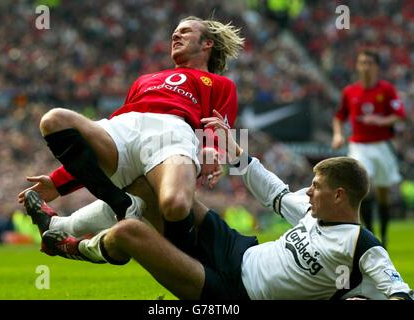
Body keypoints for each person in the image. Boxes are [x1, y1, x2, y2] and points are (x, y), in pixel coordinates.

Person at [31, 112, 413, 300]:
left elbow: (399, 294)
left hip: (233, 293)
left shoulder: (362, 247)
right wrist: (239, 156)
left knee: (131, 231)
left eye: (315, 187)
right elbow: (276, 194)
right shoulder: (314, 211)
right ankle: (58, 227)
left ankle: (72, 248)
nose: (308, 193)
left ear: (340, 195)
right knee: (152, 192)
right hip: (235, 247)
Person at [19, 16, 244, 254]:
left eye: (185, 32)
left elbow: (219, 126)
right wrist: (58, 182)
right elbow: (103, 142)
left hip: (172, 132)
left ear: (207, 44)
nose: (175, 36)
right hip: (125, 126)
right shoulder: (144, 80)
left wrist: (212, 150)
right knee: (54, 120)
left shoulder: (220, 84)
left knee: (175, 205)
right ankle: (122, 206)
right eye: (174, 33)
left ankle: (69, 230)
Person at [331, 50, 406, 248]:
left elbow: (399, 115)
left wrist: (380, 120)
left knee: (383, 192)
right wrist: (338, 134)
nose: (365, 66)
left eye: (369, 63)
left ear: (376, 67)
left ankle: (384, 234)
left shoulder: (386, 90)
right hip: (359, 146)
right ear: (357, 66)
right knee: (364, 185)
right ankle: (370, 234)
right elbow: (339, 116)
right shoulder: (350, 91)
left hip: (382, 146)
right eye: (362, 62)